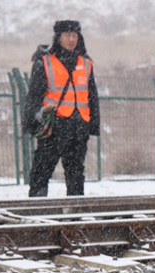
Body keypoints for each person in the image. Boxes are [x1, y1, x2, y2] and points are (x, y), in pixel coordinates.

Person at [22, 20, 100, 197]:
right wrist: (32, 122)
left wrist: (92, 125)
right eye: (66, 35)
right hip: (53, 128)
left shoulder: (86, 63)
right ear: (58, 37)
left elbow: (92, 97)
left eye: (74, 35)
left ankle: (74, 219)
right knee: (41, 173)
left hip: (78, 128)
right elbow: (34, 95)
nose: (71, 39)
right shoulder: (45, 61)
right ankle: (38, 216)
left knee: (76, 176)